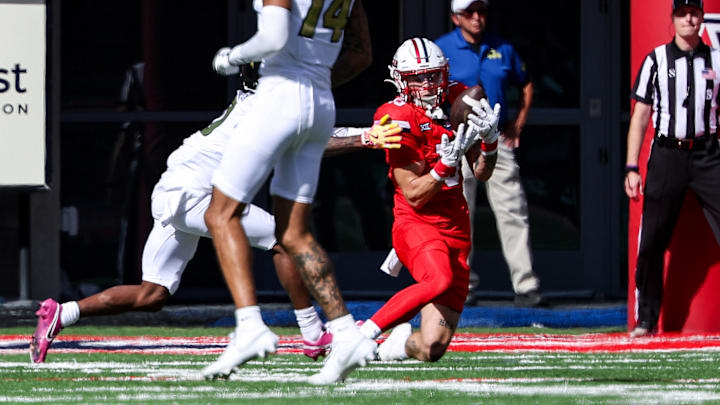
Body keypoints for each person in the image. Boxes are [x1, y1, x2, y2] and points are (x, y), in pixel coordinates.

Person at [29, 84, 402, 364]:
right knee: (284, 239)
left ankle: (62, 312)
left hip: (176, 193)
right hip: (191, 195)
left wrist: (365, 134)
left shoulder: (262, 101)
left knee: (153, 294)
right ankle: (312, 333)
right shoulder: (262, 110)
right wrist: (366, 138)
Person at [203, 0, 378, 384]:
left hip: (281, 93)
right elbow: (361, 53)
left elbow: (273, 36)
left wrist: (232, 57)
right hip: (320, 101)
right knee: (295, 234)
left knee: (220, 213)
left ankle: (249, 325)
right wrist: (315, 78)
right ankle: (346, 333)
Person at [357, 37, 501, 363]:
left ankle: (394, 347)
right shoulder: (396, 115)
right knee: (438, 279)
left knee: (432, 348)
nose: (427, 83)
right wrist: (444, 165)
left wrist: (490, 144)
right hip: (417, 222)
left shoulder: (458, 99)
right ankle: (361, 333)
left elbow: (481, 172)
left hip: (456, 225)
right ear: (400, 80)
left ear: (445, 73)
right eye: (417, 77)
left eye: (433, 75)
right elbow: (414, 194)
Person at [435, 0, 542, 307]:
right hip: (457, 139)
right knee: (459, 213)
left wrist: (517, 126)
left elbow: (526, 83)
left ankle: (526, 286)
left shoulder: (502, 47)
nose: (477, 18)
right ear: (456, 17)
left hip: (493, 137)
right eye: (470, 12)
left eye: (481, 11)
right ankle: (462, 286)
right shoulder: (442, 48)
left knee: (512, 210)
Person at [626, 0, 720, 337]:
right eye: (682, 13)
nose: (689, 19)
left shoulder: (717, 58)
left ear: (701, 18)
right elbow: (639, 116)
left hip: (708, 153)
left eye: (694, 13)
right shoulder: (656, 59)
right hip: (667, 153)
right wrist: (631, 166)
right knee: (651, 238)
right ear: (673, 18)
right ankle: (647, 320)